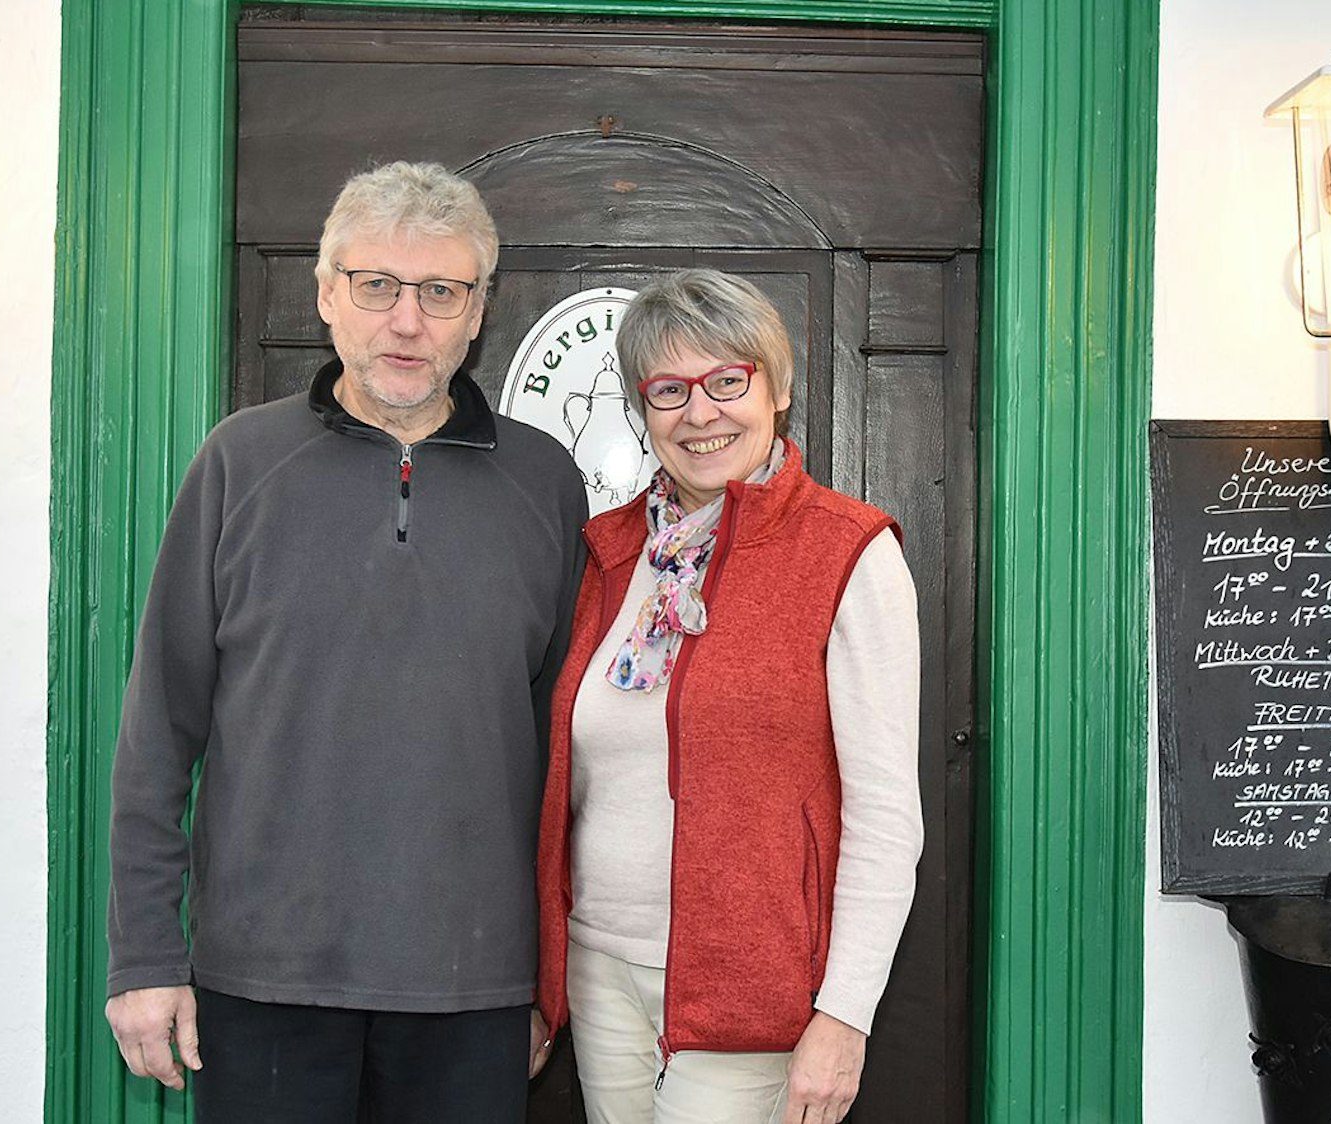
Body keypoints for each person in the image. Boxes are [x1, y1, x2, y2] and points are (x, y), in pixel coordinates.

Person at [104, 161, 587, 1121]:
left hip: (474, 985)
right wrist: (147, 958)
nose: (407, 322)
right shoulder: (238, 464)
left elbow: (566, 753)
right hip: (264, 981)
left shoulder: (544, 483)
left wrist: (549, 975)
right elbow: (159, 730)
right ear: (329, 294)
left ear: (478, 310)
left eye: (440, 291)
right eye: (377, 286)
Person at [535, 270, 924, 1124]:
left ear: (777, 389)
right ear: (643, 410)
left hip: (753, 988)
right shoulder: (604, 553)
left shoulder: (846, 552)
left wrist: (844, 1016)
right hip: (600, 973)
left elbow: (887, 814)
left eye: (727, 381)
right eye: (669, 390)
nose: (699, 413)